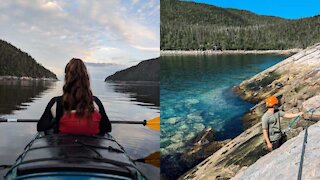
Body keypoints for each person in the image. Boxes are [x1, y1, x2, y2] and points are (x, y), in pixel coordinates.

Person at [37, 58, 111, 135]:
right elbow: (107, 128)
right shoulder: (95, 102)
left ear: (66, 78)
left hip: (63, 145)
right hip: (90, 145)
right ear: (86, 79)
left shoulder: (56, 103)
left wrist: (55, 121)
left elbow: (41, 127)